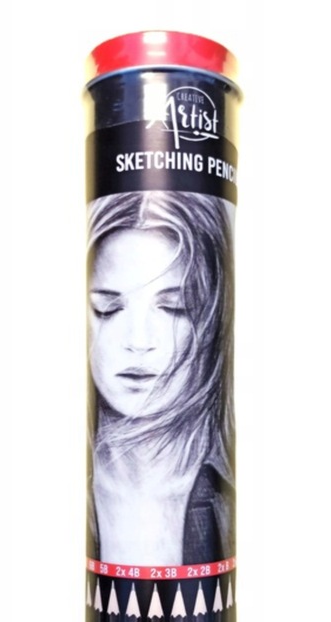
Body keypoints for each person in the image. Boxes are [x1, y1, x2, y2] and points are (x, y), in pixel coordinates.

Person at [86, 191, 235, 566]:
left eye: (173, 308)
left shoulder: (226, 496)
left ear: (211, 319)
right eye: (108, 309)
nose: (138, 342)